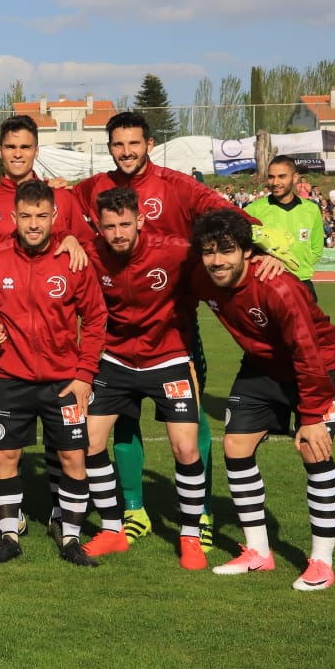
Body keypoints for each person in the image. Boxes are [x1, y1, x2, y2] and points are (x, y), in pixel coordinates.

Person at [69, 112, 256, 546]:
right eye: (118, 145)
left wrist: (254, 249)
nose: (126, 152)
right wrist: (70, 235)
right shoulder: (95, 186)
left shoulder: (176, 185)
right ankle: (133, 510)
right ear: (109, 147)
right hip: (118, 337)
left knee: (192, 428)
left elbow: (222, 214)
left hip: (174, 328)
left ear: (149, 144)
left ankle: (202, 514)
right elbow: (61, 206)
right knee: (123, 425)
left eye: (134, 143)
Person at [190, 210, 335, 590]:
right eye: (209, 252)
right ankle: (259, 553)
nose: (217, 260)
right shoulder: (202, 277)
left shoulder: (277, 286)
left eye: (226, 251)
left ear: (247, 251)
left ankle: (322, 563)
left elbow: (307, 351)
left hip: (316, 366)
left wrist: (310, 416)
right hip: (261, 366)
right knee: (236, 445)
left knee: (314, 448)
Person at [0, 180, 107, 568]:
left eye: (41, 216)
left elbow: (96, 318)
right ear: (14, 217)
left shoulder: (72, 260)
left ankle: (70, 537)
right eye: (26, 216)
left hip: (64, 380)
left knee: (72, 459)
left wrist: (84, 375)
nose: (33, 224)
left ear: (53, 217)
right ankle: (9, 536)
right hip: (11, 377)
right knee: (6, 456)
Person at [81, 188, 208, 568]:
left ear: (140, 220)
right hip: (115, 360)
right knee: (88, 442)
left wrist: (261, 257)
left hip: (168, 358)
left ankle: (190, 536)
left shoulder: (175, 250)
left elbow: (222, 253)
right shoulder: (89, 253)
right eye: (109, 227)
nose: (118, 233)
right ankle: (112, 530)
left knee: (185, 448)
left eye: (124, 224)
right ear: (99, 228)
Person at [246, 156, 324, 298]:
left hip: (302, 284)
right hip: (266, 283)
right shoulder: (253, 210)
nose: (275, 182)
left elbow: (316, 250)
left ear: (295, 178)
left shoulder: (312, 209)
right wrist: (265, 260)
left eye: (282, 176)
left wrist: (294, 267)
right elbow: (242, 249)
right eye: (271, 177)